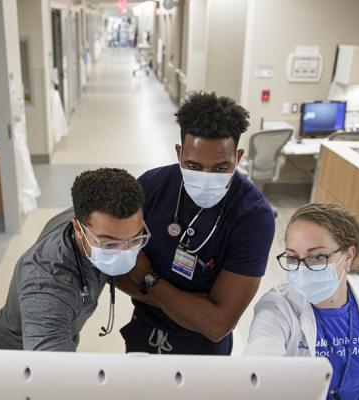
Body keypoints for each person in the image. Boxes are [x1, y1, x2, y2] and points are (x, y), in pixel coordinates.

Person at [117, 92, 276, 355]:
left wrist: (148, 278)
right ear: (179, 153)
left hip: (204, 351)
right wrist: (194, 305)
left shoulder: (253, 216)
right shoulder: (150, 187)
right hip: (143, 333)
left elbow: (216, 324)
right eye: (193, 165)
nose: (206, 177)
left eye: (220, 168)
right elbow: (116, 272)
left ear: (238, 156)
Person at [0, 168, 149, 351]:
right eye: (110, 245)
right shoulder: (46, 283)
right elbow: (52, 372)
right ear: (78, 228)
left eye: (135, 239)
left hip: (63, 336)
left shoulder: (93, 216)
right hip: (14, 362)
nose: (124, 252)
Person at [245, 203, 359, 400]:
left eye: (316, 256)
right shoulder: (277, 309)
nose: (302, 268)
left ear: (348, 256)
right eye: (292, 257)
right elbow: (259, 367)